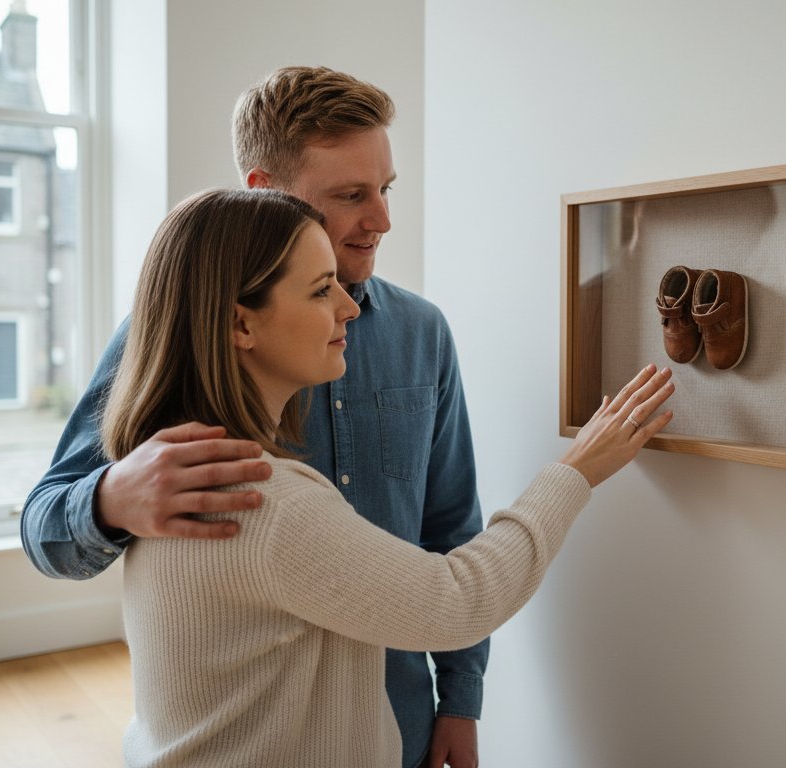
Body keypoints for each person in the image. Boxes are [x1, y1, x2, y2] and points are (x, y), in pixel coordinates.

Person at [107, 187, 674, 766]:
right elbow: (459, 599)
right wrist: (576, 469)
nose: (349, 308)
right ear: (240, 325)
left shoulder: (164, 470)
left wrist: (458, 697)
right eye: (320, 290)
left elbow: (447, 517)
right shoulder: (261, 500)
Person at [21, 67, 485, 767]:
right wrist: (112, 498)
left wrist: (460, 700)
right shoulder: (173, 334)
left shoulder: (424, 333)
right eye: (351, 195)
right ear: (265, 192)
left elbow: (451, 525)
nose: (382, 220)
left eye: (386, 190)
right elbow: (44, 528)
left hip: (401, 718)